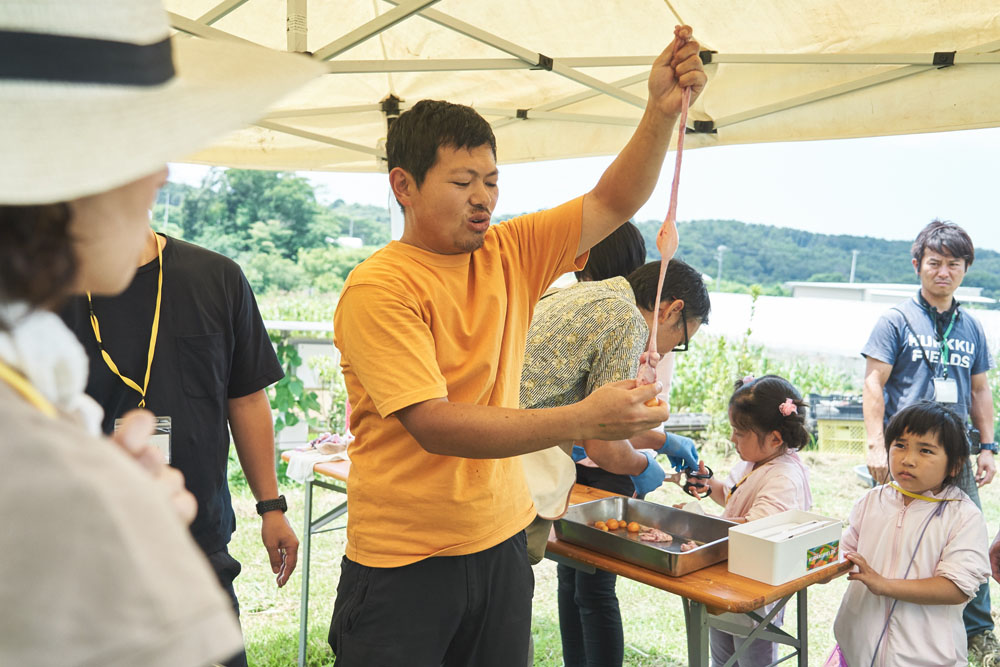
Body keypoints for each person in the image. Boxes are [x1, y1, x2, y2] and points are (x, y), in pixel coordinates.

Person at [328, 26, 707, 667]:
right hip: (405, 558)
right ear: (404, 186)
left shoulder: (509, 252)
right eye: (462, 182)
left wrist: (660, 112)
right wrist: (585, 419)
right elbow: (435, 423)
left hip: (503, 539)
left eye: (492, 181)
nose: (482, 198)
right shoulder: (380, 286)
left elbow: (612, 200)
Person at [0, 0, 320, 664]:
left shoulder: (34, 373)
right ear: (66, 174)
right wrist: (112, 518)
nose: (162, 173)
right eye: (146, 144)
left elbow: (246, 395)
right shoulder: (33, 459)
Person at [60, 226, 297, 667]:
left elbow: (244, 395)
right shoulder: (46, 285)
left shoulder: (216, 276)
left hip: (197, 545)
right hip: (79, 551)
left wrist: (271, 506)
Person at [521, 258, 709, 667]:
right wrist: (644, 467)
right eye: (679, 340)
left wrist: (661, 439)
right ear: (671, 309)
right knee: (508, 611)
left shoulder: (581, 294)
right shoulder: (627, 322)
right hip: (518, 470)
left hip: (501, 451)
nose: (666, 350)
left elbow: (591, 416)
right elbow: (604, 443)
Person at [861, 220, 998, 659]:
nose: (944, 272)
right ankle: (879, 621)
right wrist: (875, 445)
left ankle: (978, 632)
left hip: (953, 455)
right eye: (935, 262)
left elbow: (980, 390)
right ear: (917, 264)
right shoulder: (897, 320)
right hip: (907, 452)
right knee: (892, 537)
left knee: (966, 542)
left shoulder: (972, 326)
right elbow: (873, 383)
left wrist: (989, 446)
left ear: (965, 269)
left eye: (954, 264)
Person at [829, 401, 990, 666]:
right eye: (900, 445)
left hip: (925, 657)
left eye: (925, 450)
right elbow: (847, 554)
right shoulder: (871, 501)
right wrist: (823, 568)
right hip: (858, 648)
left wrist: (884, 585)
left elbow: (956, 588)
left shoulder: (964, 517)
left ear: (954, 464)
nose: (908, 459)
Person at [693, 375, 812, 666]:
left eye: (739, 432)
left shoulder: (783, 477)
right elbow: (734, 495)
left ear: (775, 438)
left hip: (756, 593)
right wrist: (710, 487)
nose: (733, 438)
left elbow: (756, 530)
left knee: (750, 658)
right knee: (721, 654)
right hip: (729, 578)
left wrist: (700, 522)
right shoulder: (754, 462)